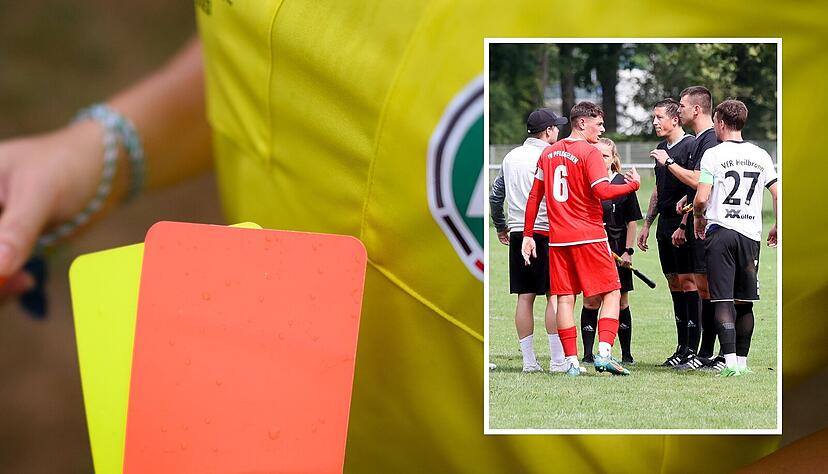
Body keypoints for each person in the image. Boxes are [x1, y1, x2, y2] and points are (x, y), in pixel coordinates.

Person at [522, 101, 640, 377]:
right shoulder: (588, 152)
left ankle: (572, 363)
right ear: (582, 123)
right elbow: (603, 191)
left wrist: (528, 234)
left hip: (558, 240)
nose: (602, 129)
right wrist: (632, 185)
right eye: (598, 123)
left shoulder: (548, 153)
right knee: (612, 291)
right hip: (589, 236)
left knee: (564, 299)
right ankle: (604, 354)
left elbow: (534, 196)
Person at [693, 99, 778, 376]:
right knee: (745, 301)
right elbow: (777, 193)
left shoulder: (713, 155)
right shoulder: (762, 155)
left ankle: (728, 363)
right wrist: (778, 224)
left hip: (722, 233)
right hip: (750, 236)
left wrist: (697, 216)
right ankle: (742, 363)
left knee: (722, 299)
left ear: (719, 122)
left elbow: (702, 197)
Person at [489, 108, 568, 373]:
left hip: (518, 233)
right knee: (553, 296)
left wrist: (501, 225)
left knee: (525, 297)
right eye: (556, 127)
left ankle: (529, 361)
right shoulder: (551, 155)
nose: (558, 131)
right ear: (547, 131)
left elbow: (496, 195)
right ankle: (557, 360)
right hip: (547, 231)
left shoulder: (510, 157)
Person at [638, 98, 698, 367]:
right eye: (653, 118)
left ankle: (693, 350)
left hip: (683, 223)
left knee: (689, 282)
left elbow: (696, 186)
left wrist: (684, 222)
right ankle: (681, 346)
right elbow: (659, 189)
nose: (654, 122)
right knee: (674, 283)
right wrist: (647, 223)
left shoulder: (691, 146)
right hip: (663, 224)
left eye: (659, 117)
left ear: (675, 119)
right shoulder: (661, 148)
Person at [668, 85, 724, 371]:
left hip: (709, 225)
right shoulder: (700, 139)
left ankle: (711, 353)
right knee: (703, 288)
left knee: (709, 289)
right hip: (694, 221)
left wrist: (669, 164)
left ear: (696, 109)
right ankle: (703, 352)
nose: (679, 109)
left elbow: (702, 182)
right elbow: (699, 184)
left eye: (682, 105)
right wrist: (687, 201)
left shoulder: (710, 140)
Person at [580, 138, 642, 365]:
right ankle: (587, 354)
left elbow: (632, 222)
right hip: (592, 248)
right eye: (595, 155)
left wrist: (628, 251)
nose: (599, 159)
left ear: (613, 159)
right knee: (591, 300)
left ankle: (626, 354)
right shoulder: (585, 182)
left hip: (617, 249)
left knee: (621, 300)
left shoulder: (621, 183)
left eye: (604, 156)